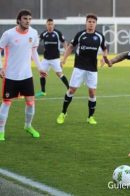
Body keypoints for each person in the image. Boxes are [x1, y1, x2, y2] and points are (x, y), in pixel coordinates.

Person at [0, 9, 47, 141]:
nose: (27, 21)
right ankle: (1, 131)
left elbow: (34, 52)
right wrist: (0, 68)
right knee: (6, 103)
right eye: (25, 19)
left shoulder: (33, 33)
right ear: (19, 20)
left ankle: (28, 126)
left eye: (29, 19)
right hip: (10, 75)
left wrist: (40, 68)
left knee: (31, 103)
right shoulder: (8, 34)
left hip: (26, 75)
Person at [56, 13, 109, 125]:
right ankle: (63, 113)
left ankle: (90, 117)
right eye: (89, 21)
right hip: (79, 67)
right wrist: (64, 59)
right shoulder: (80, 35)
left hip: (92, 69)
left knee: (92, 93)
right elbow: (70, 47)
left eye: (93, 22)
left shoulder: (99, 36)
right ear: (86, 23)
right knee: (71, 90)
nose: (91, 24)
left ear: (96, 24)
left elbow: (105, 48)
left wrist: (104, 58)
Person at [35, 18, 69, 97]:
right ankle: (43, 92)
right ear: (46, 25)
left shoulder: (57, 33)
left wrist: (65, 52)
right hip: (46, 59)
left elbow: (64, 42)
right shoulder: (44, 34)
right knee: (42, 74)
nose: (50, 26)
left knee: (59, 74)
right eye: (48, 24)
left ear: (53, 25)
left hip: (55, 59)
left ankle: (69, 89)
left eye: (51, 24)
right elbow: (36, 42)